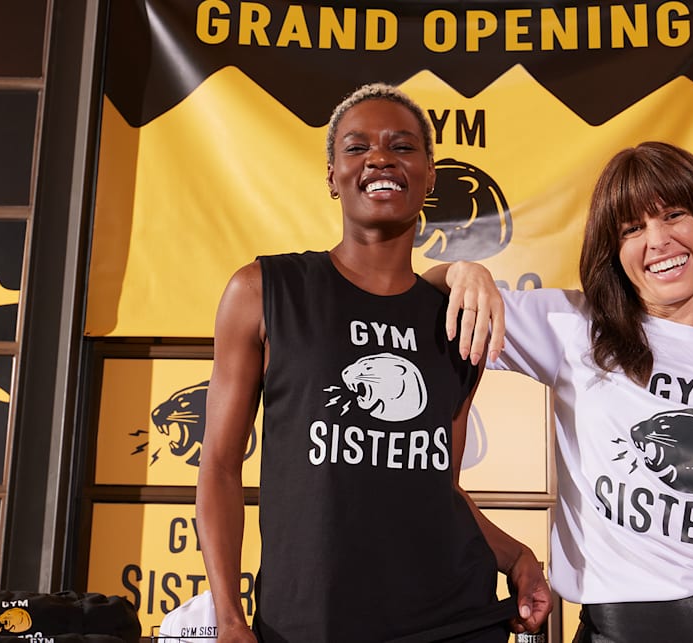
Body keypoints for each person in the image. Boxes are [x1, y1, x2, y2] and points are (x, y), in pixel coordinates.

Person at [426, 141, 693, 643]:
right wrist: (463, 271)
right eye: (633, 229)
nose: (659, 240)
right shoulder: (574, 328)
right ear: (615, 253)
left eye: (674, 215)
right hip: (621, 627)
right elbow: (430, 294)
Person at [196, 83, 551, 643]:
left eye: (402, 147)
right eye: (357, 148)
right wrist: (230, 617)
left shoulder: (456, 317)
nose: (380, 158)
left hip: (450, 618)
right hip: (309, 622)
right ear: (333, 176)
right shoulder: (265, 290)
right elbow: (218, 467)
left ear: (430, 176)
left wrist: (516, 556)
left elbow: (443, 487)